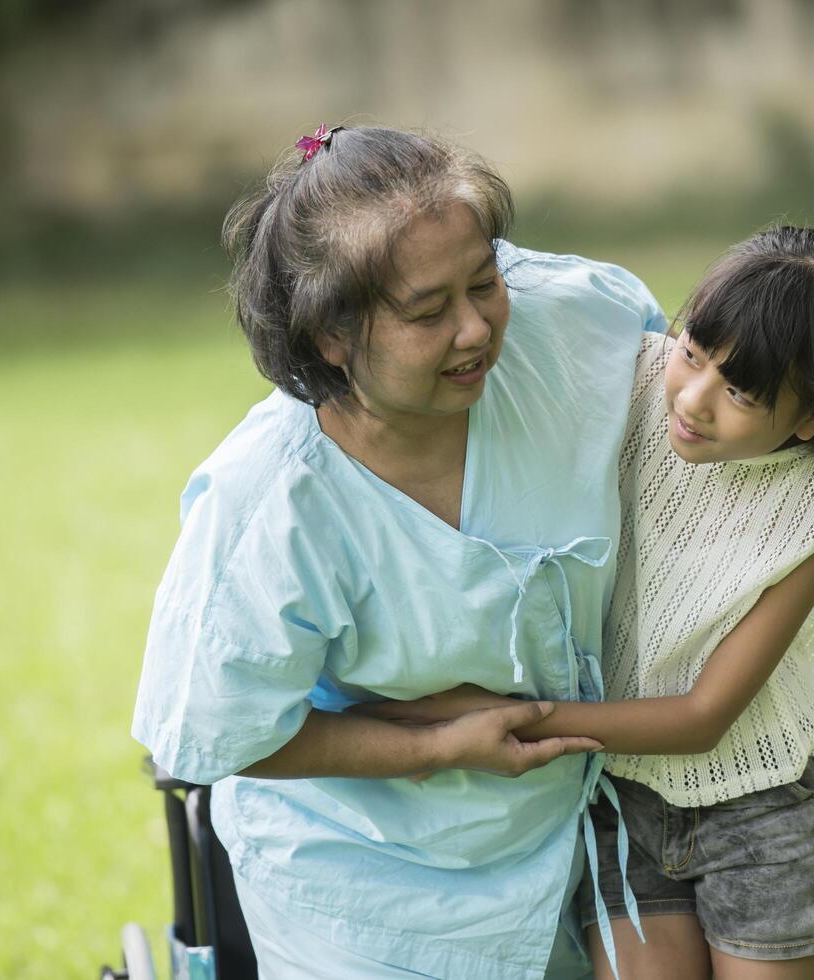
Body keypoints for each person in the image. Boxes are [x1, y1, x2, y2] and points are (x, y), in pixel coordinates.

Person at [131, 124, 668, 979]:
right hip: (363, 892)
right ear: (329, 337)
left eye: (485, 281)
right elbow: (215, 733)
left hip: (590, 843)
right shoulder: (270, 502)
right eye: (428, 311)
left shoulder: (578, 325)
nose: (475, 329)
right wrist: (434, 747)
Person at [362, 226, 814, 978]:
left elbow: (702, 717)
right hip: (620, 800)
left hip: (760, 809)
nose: (693, 398)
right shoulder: (624, 381)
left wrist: (505, 720)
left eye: (741, 393)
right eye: (692, 352)